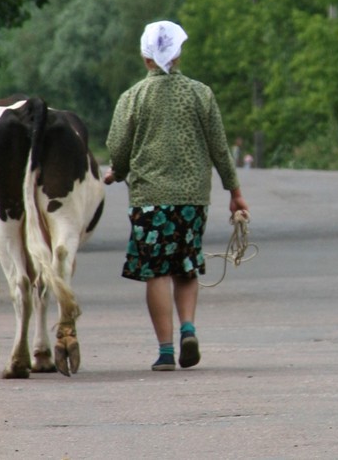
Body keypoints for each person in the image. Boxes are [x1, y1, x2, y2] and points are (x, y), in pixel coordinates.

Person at [104, 20, 249, 372]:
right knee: (185, 267)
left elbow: (117, 147)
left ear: (145, 57)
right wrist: (235, 193)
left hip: (149, 198)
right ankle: (188, 328)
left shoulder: (132, 97)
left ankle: (166, 351)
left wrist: (117, 172)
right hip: (192, 199)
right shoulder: (201, 94)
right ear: (178, 53)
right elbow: (219, 148)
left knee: (156, 272)